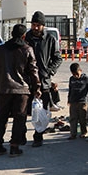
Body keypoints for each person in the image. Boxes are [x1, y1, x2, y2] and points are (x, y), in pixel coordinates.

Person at [0, 24, 40, 156]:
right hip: (22, 90)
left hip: (3, 89)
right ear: (23, 36)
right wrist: (37, 87)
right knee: (19, 118)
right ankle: (14, 146)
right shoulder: (27, 49)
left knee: (2, 117)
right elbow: (33, 71)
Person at [25, 11, 63, 147]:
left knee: (42, 111)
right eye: (33, 25)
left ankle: (38, 136)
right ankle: (20, 136)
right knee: (25, 110)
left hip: (44, 82)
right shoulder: (26, 38)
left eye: (38, 25)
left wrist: (49, 71)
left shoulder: (50, 39)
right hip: (27, 82)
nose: (35, 28)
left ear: (43, 26)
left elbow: (58, 58)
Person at [67, 63, 88, 139]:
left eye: (77, 74)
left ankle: (84, 132)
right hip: (73, 101)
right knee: (73, 118)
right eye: (73, 74)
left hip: (82, 102)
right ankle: (73, 134)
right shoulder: (71, 79)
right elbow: (70, 89)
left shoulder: (86, 78)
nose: (76, 76)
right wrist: (69, 99)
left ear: (80, 71)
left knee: (83, 118)